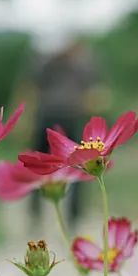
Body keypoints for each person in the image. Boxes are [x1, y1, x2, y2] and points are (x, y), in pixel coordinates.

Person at [28, 39, 106, 228]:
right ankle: (45, 214)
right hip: (57, 117)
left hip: (56, 116)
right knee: (44, 164)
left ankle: (56, 215)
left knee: (76, 165)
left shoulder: (51, 61)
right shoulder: (72, 61)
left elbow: (32, 88)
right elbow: (93, 93)